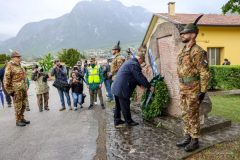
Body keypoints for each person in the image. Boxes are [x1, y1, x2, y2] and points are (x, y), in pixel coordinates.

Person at [176, 15, 210, 152]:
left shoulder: (197, 51)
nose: (182, 35)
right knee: (185, 113)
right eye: (182, 33)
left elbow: (204, 72)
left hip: (193, 89)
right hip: (183, 88)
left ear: (193, 34)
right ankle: (188, 137)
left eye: (185, 33)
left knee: (193, 114)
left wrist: (203, 91)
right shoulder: (183, 50)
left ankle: (195, 140)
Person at [112, 52, 154, 127]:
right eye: (142, 61)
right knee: (125, 105)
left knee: (118, 106)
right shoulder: (134, 64)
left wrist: (140, 84)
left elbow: (133, 76)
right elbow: (139, 76)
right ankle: (129, 122)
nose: (142, 63)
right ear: (140, 59)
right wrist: (149, 86)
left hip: (117, 87)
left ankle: (117, 120)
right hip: (123, 88)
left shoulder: (129, 62)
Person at [3, 51, 30, 127]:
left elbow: (23, 77)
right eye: (17, 57)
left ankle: (22, 118)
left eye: (19, 57)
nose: (19, 58)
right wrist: (10, 91)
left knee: (23, 104)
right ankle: (18, 120)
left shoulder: (19, 65)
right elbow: (6, 80)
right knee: (18, 105)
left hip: (23, 89)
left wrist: (25, 86)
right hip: (16, 90)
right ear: (13, 58)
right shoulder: (10, 66)